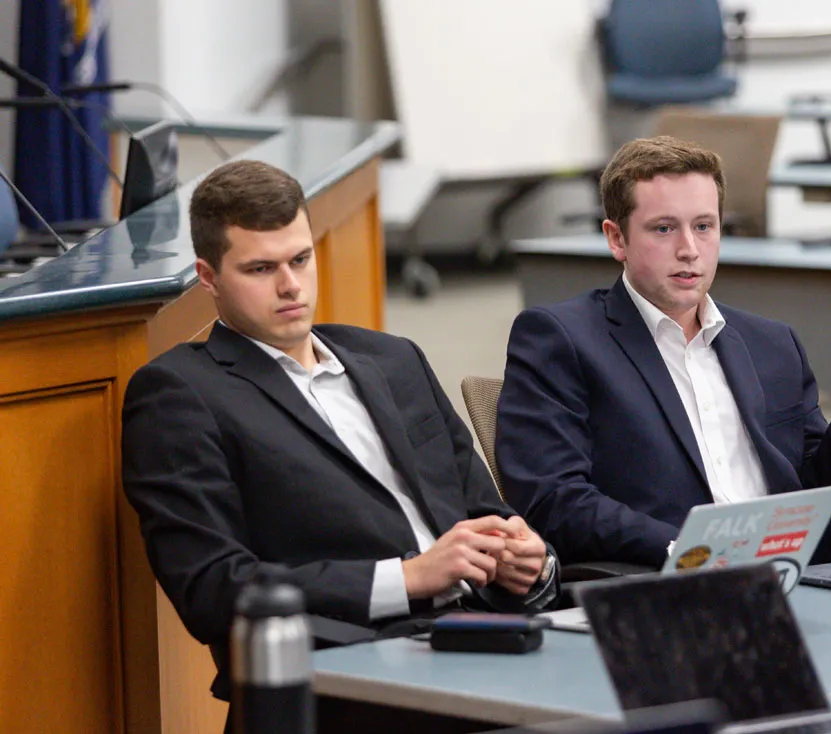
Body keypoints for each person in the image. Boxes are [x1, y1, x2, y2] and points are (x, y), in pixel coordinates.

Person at [121, 160, 558, 702]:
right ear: (208, 278)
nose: (290, 286)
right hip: (353, 672)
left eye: (301, 260)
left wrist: (529, 563)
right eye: (260, 270)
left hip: (491, 639)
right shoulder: (178, 395)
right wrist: (407, 578)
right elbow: (213, 588)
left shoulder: (394, 359)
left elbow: (483, 512)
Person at [496, 136, 831, 569]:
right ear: (617, 239)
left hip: (801, 580)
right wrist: (694, 550)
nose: (689, 249)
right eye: (664, 229)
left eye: (703, 226)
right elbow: (554, 500)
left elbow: (829, 505)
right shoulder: (561, 339)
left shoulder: (773, 344)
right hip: (671, 586)